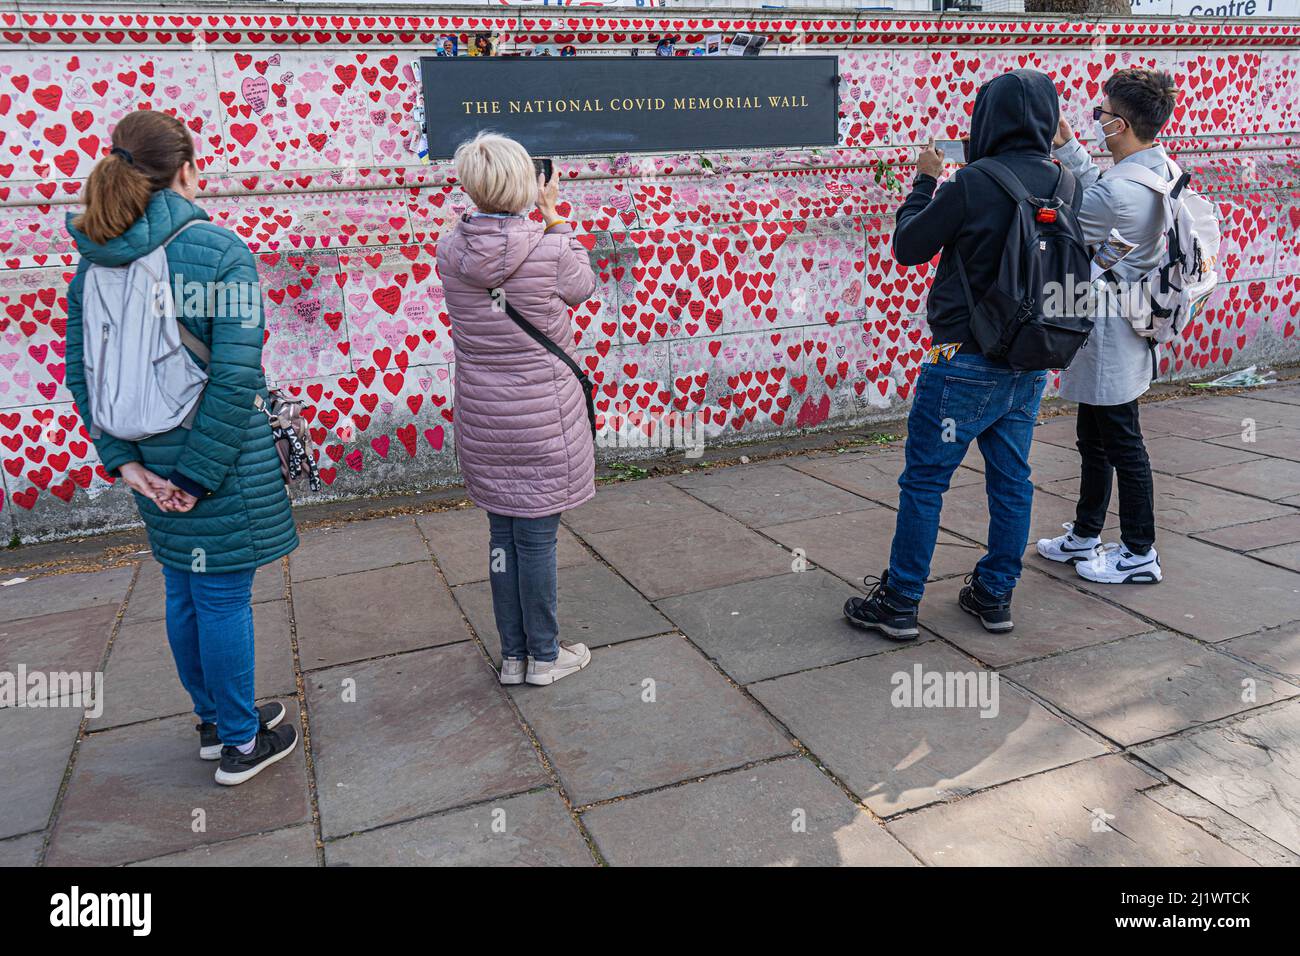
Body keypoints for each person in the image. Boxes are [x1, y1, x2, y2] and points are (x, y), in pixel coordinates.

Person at [65, 110, 299, 785]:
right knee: (223, 597)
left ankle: (212, 719)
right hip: (215, 455)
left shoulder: (94, 258)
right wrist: (197, 475)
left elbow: (84, 370)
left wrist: (125, 461)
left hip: (145, 453)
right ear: (188, 168)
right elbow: (234, 378)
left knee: (183, 588)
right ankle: (239, 742)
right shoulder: (220, 250)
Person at [843, 69, 1069, 638]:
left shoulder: (971, 182)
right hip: (1030, 358)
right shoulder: (1066, 183)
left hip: (961, 358)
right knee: (1012, 480)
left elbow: (909, 246)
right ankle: (994, 595)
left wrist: (923, 183)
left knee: (925, 481)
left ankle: (899, 602)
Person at [436, 132, 597, 685]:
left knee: (501, 541)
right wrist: (553, 215)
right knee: (537, 543)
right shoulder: (551, 248)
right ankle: (546, 658)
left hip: (484, 418)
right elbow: (583, 286)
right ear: (527, 183)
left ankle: (513, 657)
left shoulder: (450, 252)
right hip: (542, 418)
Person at [1036, 69, 1178, 585]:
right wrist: (1071, 147)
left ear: (1117, 124)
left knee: (1121, 442)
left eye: (1100, 114)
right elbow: (1104, 190)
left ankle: (1140, 551)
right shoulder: (1158, 167)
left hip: (1106, 327)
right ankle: (1086, 532)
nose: (1096, 120)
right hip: (1131, 319)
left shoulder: (1115, 192)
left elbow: (1069, 228)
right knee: (1094, 436)